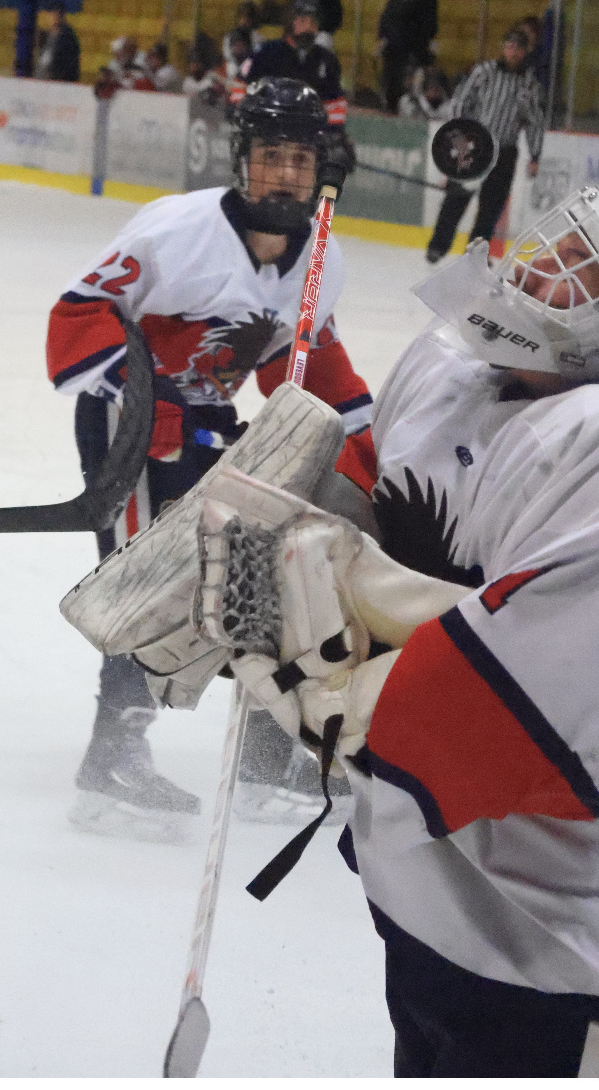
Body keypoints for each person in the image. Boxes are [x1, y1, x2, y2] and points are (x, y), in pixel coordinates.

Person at [203, 180, 599, 1075]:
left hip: (591, 957)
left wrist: (300, 669)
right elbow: (364, 505)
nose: (540, 263)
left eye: (583, 267)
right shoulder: (451, 365)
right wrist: (256, 541)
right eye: (554, 240)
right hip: (436, 907)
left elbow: (504, 735)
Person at [44, 78, 373, 838]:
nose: (285, 174)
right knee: (151, 578)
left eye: (299, 157)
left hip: (208, 423)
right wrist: (145, 398)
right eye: (270, 156)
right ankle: (110, 760)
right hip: (126, 424)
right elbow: (75, 323)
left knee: (262, 573)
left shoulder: (322, 258)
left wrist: (366, 438)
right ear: (241, 159)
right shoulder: (175, 232)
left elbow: (301, 358)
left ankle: (270, 755)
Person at [425, 24, 545, 264]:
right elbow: (461, 102)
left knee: (491, 207)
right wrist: (461, 137)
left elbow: (534, 121)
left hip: (505, 151)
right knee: (456, 198)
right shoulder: (485, 72)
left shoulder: (530, 84)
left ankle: (475, 256)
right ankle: (438, 246)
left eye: (517, 48)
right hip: (475, 146)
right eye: (508, 46)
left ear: (524, 52)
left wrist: (535, 155)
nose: (512, 52)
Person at [235, 0, 347, 129]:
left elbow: (335, 101)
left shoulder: (326, 60)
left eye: (313, 23)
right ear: (290, 23)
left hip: (308, 135)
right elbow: (240, 84)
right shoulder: (266, 52)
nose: (309, 28)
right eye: (303, 21)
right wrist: (243, 113)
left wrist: (330, 130)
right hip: (268, 128)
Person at [376, 0, 439, 113]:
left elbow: (428, 24)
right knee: (390, 86)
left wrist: (418, 46)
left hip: (413, 50)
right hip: (393, 49)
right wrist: (382, 38)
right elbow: (387, 18)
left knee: (408, 89)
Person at [35, 0, 81, 82]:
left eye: (56, 14)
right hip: (41, 77)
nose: (53, 17)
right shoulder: (46, 35)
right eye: (52, 14)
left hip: (57, 80)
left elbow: (69, 63)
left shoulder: (68, 37)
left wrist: (56, 75)